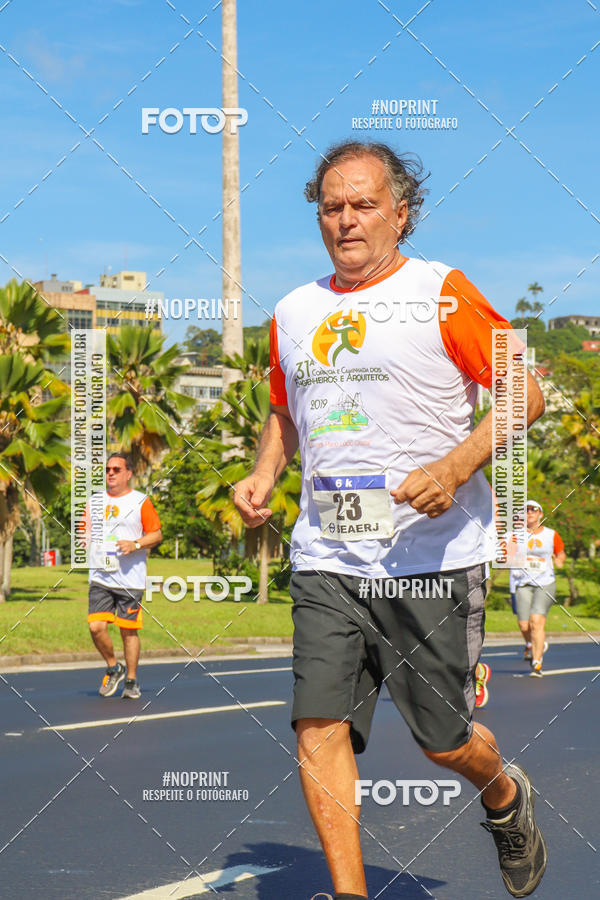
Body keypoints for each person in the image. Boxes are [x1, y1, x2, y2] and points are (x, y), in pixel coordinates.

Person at [234, 140, 547, 899]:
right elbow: (285, 410)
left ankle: (503, 792)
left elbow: (525, 390)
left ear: (400, 215)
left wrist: (455, 466)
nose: (346, 220)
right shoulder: (293, 310)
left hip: (432, 559)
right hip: (328, 559)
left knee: (442, 742)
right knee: (317, 725)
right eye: (331, 206)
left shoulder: (441, 291)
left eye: (363, 203)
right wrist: (263, 471)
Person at [87, 452, 162, 698]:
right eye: (108, 469)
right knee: (96, 627)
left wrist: (136, 544)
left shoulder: (140, 502)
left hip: (130, 579)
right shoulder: (94, 501)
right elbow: (84, 530)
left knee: (128, 631)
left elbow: (157, 535)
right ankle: (113, 667)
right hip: (101, 576)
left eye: (116, 469)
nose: (110, 473)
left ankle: (131, 680)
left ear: (128, 473)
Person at [510, 500, 565, 676]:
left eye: (533, 510)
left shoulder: (551, 534)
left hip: (545, 583)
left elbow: (560, 552)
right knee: (523, 624)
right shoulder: (515, 535)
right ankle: (531, 643)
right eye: (526, 510)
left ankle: (537, 661)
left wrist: (559, 560)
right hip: (523, 583)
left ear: (540, 514)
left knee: (536, 621)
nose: (530, 513)